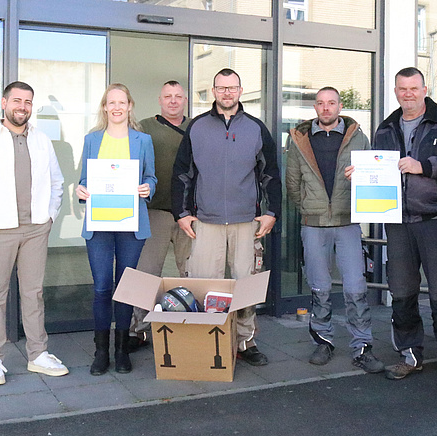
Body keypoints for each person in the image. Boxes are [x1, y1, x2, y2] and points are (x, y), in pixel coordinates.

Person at [348, 67, 437, 388]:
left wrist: (423, 166)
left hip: (436, 220)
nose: (408, 94)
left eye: (414, 88)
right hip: (398, 222)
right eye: (402, 89)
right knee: (401, 292)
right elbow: (378, 168)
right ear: (396, 92)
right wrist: (360, 175)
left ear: (424, 89)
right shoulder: (386, 127)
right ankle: (410, 355)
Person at [172, 68, 282, 367]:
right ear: (214, 92)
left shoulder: (256, 128)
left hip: (246, 221)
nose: (227, 93)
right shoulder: (197, 127)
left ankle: (245, 341)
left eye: (232, 87)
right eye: (221, 88)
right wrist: (182, 213)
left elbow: (271, 174)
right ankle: (206, 341)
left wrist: (271, 212)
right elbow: (182, 173)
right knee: (206, 284)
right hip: (206, 221)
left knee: (245, 284)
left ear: (240, 91)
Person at [0, 81, 69, 385]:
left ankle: (38, 354)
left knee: (33, 293)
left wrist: (49, 216)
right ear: (4, 103)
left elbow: (57, 182)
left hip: (35, 229)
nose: (23, 107)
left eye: (28, 102)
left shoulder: (41, 140)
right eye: (17, 101)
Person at [285, 86, 384, 373]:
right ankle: (323, 341)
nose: (326, 107)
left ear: (340, 106)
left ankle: (362, 346)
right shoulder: (299, 140)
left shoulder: (358, 137)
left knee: (355, 287)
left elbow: (373, 177)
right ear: (315, 107)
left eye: (331, 103)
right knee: (320, 287)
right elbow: (292, 183)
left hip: (348, 222)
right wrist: (308, 207)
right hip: (314, 224)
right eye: (320, 103)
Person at [76, 83, 157, 376]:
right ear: (104, 107)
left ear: (130, 106)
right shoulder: (92, 139)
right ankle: (101, 352)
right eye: (112, 103)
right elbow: (84, 180)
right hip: (99, 223)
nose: (117, 107)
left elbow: (151, 176)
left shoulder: (143, 140)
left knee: (125, 288)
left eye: (122, 102)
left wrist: (148, 187)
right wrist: (81, 190)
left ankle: (122, 350)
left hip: (130, 223)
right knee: (101, 287)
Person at [128, 80, 192, 351]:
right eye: (168, 96)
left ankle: (194, 327)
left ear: (185, 100)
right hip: (154, 211)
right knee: (146, 273)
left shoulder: (198, 127)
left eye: (178, 96)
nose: (173, 101)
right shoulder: (143, 127)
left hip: (190, 214)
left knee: (192, 273)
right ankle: (138, 330)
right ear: (160, 100)